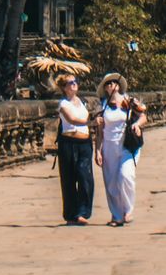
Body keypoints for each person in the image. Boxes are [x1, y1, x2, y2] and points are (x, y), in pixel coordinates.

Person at [96, 73, 146, 226]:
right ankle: (116, 215)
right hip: (109, 146)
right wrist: (97, 150)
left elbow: (143, 115)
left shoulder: (128, 101)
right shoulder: (102, 106)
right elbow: (99, 132)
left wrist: (137, 125)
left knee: (126, 176)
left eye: (114, 82)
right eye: (108, 83)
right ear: (105, 87)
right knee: (111, 182)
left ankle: (128, 209)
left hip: (127, 145)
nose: (112, 85)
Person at [56, 74, 94, 224]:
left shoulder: (83, 101)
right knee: (69, 178)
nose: (73, 84)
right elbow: (72, 119)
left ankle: (83, 212)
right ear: (64, 88)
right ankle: (71, 214)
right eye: (69, 83)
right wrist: (90, 122)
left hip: (84, 143)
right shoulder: (63, 104)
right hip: (68, 143)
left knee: (85, 177)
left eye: (75, 82)